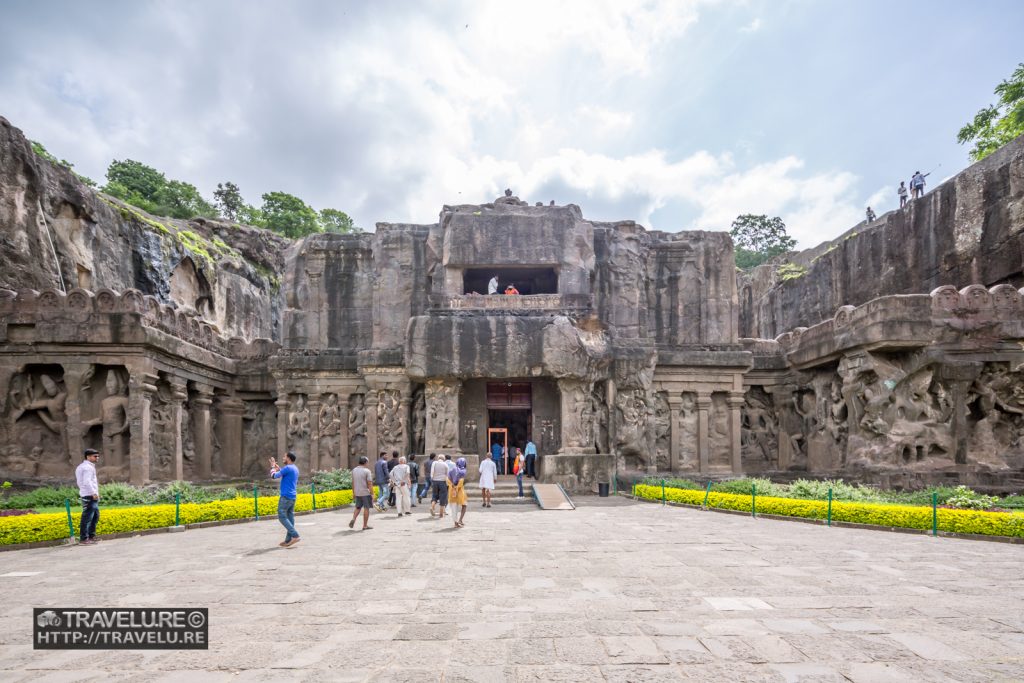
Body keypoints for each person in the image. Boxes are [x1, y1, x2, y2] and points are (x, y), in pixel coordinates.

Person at [270, 452, 300, 548]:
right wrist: (279, 469)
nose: (283, 458)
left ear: (289, 458)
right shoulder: (294, 468)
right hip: (292, 496)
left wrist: (272, 467)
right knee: (290, 518)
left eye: (284, 457)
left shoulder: (287, 468)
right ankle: (288, 540)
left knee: (282, 516)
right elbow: (285, 474)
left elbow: (274, 476)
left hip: (286, 497)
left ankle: (295, 535)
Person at [75, 448, 101, 545]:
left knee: (95, 516)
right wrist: (93, 493)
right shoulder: (87, 467)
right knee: (87, 517)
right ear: (88, 457)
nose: (97, 458)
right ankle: (84, 539)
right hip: (89, 495)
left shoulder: (83, 466)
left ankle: (91, 536)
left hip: (88, 494)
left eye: (98, 456)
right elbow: (87, 482)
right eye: (95, 456)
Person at [348, 456, 374, 530]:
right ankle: (365, 526)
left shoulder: (354, 470)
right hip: (365, 492)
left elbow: (353, 482)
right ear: (365, 462)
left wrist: (354, 492)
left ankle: (353, 518)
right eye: (368, 462)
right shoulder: (367, 471)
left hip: (357, 492)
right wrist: (372, 493)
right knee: (366, 508)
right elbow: (369, 483)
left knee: (358, 507)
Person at [448, 457, 469, 528]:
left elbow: (447, 480)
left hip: (452, 490)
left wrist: (453, 486)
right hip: (460, 491)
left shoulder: (452, 470)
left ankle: (456, 523)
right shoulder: (463, 471)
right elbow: (461, 481)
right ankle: (460, 520)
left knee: (454, 508)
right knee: (464, 505)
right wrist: (457, 488)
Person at [430, 454, 449, 518]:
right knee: (443, 496)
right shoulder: (445, 464)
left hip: (435, 481)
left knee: (435, 495)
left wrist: (432, 479)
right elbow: (447, 474)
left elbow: (432, 472)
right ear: (444, 459)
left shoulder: (434, 463)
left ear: (438, 458)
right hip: (442, 482)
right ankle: (441, 513)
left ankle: (432, 506)